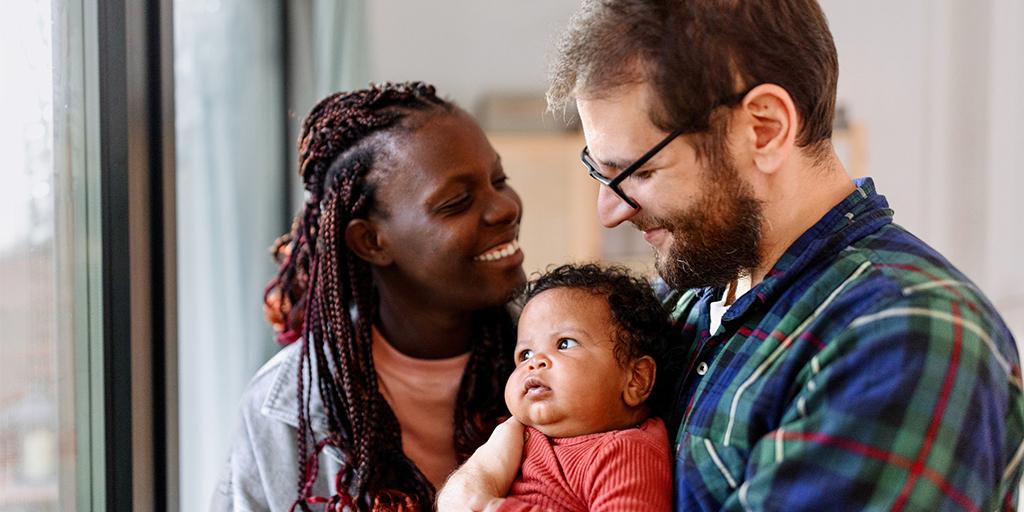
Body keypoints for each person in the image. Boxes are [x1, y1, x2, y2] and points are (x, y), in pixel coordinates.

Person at [438, 1, 1024, 510]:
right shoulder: (689, 296)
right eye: (599, 171)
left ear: (764, 129)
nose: (609, 211)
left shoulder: (904, 335)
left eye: (637, 172)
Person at [212, 82, 527, 511]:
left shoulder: (573, 358)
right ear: (371, 241)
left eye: (499, 180)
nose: (505, 208)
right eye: (457, 202)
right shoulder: (286, 412)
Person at [479, 263, 674, 511]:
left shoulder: (623, 452)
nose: (535, 362)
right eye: (525, 353)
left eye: (564, 344)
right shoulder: (516, 435)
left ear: (636, 379)